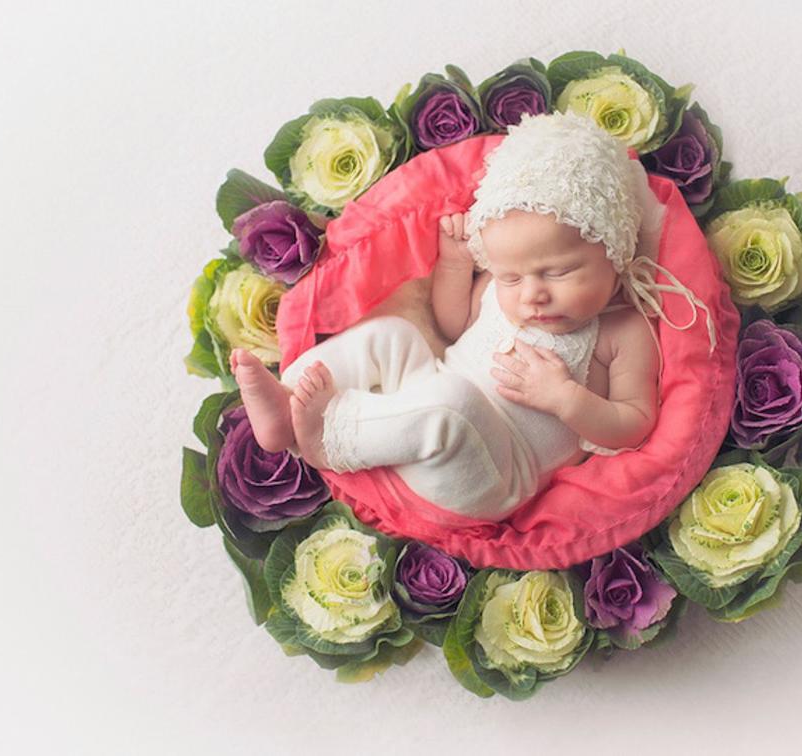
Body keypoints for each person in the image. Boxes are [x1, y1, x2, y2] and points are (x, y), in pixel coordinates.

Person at [231, 112, 715, 521]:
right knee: (393, 337)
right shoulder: (497, 291)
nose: (533, 295)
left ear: (616, 255)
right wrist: (457, 264)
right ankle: (289, 404)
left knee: (452, 402)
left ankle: (330, 437)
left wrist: (566, 398)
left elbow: (634, 424)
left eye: (560, 271)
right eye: (512, 278)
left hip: (493, 472)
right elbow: (448, 324)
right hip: (427, 396)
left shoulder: (621, 331)